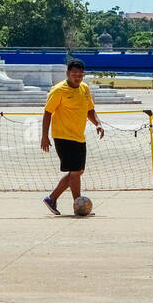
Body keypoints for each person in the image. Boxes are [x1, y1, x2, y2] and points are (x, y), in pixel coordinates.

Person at [41, 59, 104, 215]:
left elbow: (90, 110)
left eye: (80, 74)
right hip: (63, 136)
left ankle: (52, 198)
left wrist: (98, 124)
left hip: (79, 137)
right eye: (73, 73)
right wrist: (44, 136)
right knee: (75, 171)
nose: (77, 76)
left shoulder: (84, 89)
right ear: (67, 73)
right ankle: (79, 205)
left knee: (78, 171)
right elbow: (47, 112)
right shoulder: (58, 90)